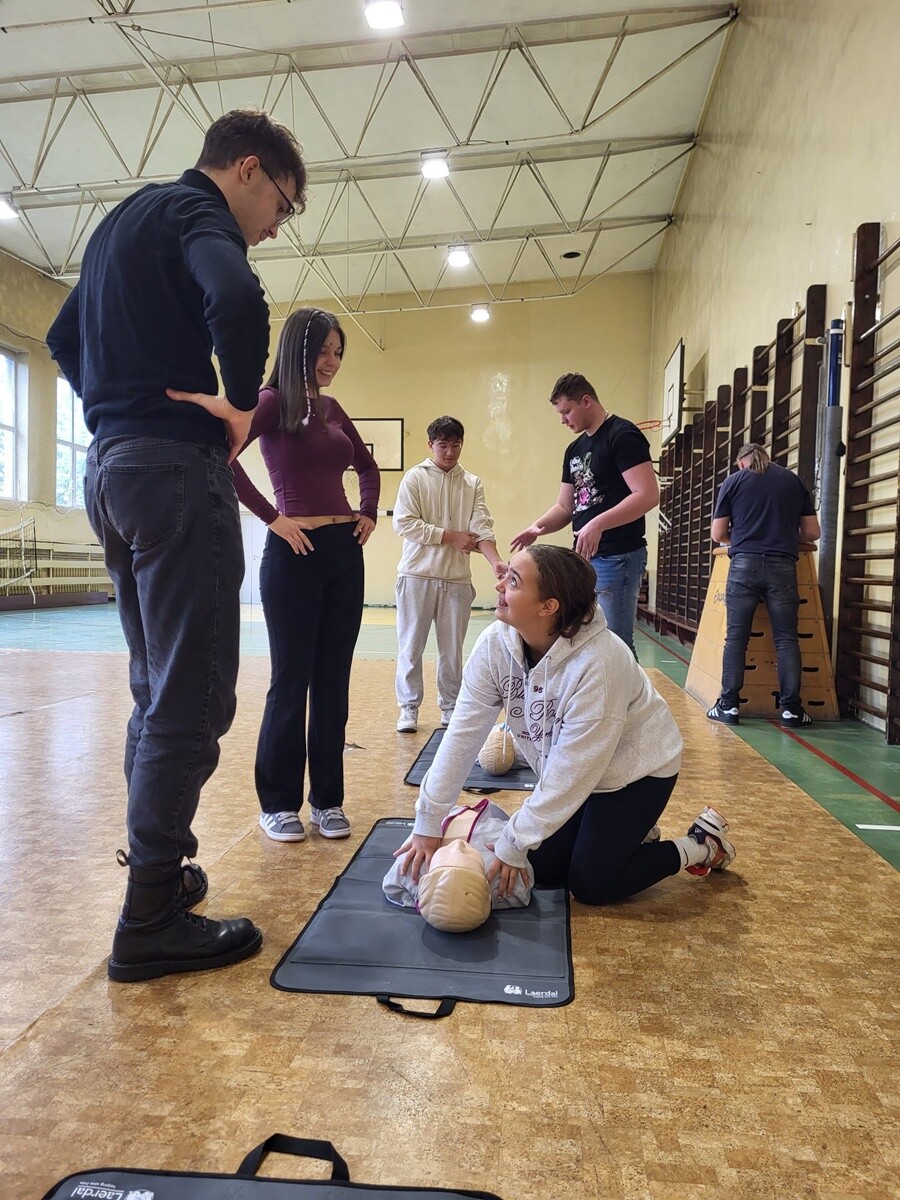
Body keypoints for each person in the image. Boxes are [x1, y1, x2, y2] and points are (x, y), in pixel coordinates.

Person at [46, 109, 307, 982]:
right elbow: (236, 297)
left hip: (111, 471)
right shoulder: (197, 212)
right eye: (282, 204)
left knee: (156, 687)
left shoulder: (122, 221)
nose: (275, 227)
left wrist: (118, 411)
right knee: (193, 703)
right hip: (169, 471)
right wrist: (237, 403)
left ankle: (154, 874)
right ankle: (150, 916)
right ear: (246, 169)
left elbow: (58, 337)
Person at [397, 545, 736, 907]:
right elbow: (462, 735)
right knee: (540, 867)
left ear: (548, 606)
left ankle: (700, 846)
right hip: (581, 772)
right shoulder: (494, 645)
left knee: (592, 884)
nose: (499, 586)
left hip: (637, 772)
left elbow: (574, 771)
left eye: (513, 580)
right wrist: (428, 821)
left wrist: (514, 841)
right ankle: (631, 836)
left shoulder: (600, 664)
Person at [176, 308, 380, 844]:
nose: (332, 361)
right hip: (293, 553)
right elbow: (227, 456)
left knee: (333, 683)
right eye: (324, 351)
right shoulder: (270, 403)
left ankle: (328, 801)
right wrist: (273, 517)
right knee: (291, 682)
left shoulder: (334, 408)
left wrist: (369, 510)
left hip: (343, 554)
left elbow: (367, 466)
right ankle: (278, 803)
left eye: (339, 353)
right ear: (300, 349)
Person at [511, 373, 659, 658]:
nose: (563, 420)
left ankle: (630, 702)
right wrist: (537, 527)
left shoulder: (622, 435)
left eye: (567, 411)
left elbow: (647, 495)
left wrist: (599, 523)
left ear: (586, 401)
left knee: (617, 643)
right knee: (581, 637)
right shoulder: (575, 449)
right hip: (584, 559)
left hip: (618, 556)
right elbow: (566, 508)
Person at [393, 415, 505, 733]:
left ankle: (451, 705)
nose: (450, 452)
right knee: (411, 646)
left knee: (452, 651)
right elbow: (403, 523)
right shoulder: (414, 478)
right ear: (431, 445)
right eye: (443, 445)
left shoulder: (472, 483)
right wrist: (449, 536)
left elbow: (481, 525)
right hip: (416, 576)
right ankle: (409, 708)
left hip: (456, 580)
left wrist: (494, 560)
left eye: (455, 445)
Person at [707, 443, 821, 728]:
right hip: (783, 566)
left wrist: (746, 537)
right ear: (768, 459)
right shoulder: (792, 481)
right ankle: (791, 710)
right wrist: (780, 534)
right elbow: (812, 532)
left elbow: (718, 533)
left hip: (744, 565)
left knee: (736, 638)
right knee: (786, 639)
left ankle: (729, 707)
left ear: (740, 462)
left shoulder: (733, 482)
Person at [383, 798, 534, 928]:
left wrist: (420, 898)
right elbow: (523, 888)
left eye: (447, 850)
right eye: (467, 854)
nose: (458, 845)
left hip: (445, 815)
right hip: (489, 821)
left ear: (424, 880)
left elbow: (392, 887)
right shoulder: (503, 881)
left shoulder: (411, 868)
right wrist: (513, 848)